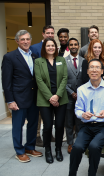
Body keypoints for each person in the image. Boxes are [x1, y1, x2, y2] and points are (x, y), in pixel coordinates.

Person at [69, 59, 104, 176]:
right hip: (87, 125)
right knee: (77, 147)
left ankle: (92, 173)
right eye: (91, 67)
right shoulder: (81, 89)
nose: (94, 70)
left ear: (102, 71)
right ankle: (72, 173)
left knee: (94, 146)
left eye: (97, 67)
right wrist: (82, 114)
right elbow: (78, 110)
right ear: (88, 71)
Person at [2, 30, 42, 163]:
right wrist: (10, 100)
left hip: (34, 97)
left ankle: (29, 147)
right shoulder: (10, 57)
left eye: (27, 39)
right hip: (18, 99)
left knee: (33, 124)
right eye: (22, 39)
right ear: (17, 41)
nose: (25, 42)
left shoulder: (35, 56)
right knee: (17, 125)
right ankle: (19, 151)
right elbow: (6, 81)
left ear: (30, 40)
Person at [34, 38, 68, 163]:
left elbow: (65, 78)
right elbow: (39, 81)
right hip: (44, 99)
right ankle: (47, 150)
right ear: (44, 47)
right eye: (48, 46)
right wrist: (51, 97)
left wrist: (57, 95)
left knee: (59, 126)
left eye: (52, 45)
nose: (50, 48)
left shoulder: (61, 60)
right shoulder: (38, 61)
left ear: (56, 47)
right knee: (47, 126)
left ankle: (58, 150)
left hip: (61, 99)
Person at [29, 25, 55, 147]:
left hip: (52, 86)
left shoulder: (55, 47)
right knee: (39, 113)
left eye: (52, 33)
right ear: (43, 34)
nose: (50, 35)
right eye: (48, 33)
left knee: (49, 113)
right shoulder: (34, 48)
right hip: (38, 86)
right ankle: (37, 136)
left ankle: (48, 134)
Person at [64, 38, 84, 154]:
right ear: (68, 46)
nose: (73, 46)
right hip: (68, 96)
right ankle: (70, 144)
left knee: (80, 122)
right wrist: (71, 92)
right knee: (69, 122)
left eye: (75, 44)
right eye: (71, 44)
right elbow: (62, 80)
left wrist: (80, 93)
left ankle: (80, 143)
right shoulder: (63, 61)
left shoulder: (83, 60)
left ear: (78, 45)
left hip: (81, 97)